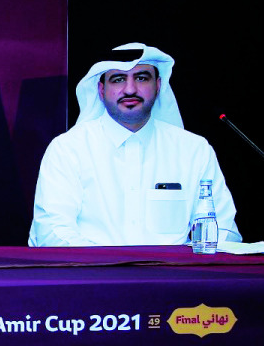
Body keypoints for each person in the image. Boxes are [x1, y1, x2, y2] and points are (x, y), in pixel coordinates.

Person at [29, 43, 239, 246]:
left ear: (158, 86)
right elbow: (52, 233)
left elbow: (224, 232)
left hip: (175, 279)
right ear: (101, 90)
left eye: (141, 78)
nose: (130, 89)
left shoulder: (194, 150)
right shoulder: (68, 149)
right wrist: (114, 269)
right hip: (93, 278)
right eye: (118, 79)